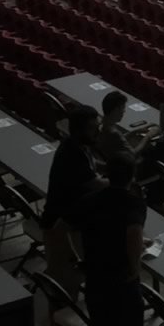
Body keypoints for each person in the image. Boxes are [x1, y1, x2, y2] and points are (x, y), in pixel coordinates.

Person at [72, 153, 148, 326]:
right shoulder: (134, 203)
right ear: (132, 177)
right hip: (123, 284)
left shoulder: (89, 201)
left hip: (96, 282)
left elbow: (73, 230)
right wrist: (134, 267)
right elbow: (134, 236)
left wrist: (81, 257)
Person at [43, 105, 99, 295]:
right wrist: (120, 177)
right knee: (63, 286)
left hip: (73, 222)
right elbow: (94, 183)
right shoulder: (71, 153)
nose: (96, 131)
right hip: (60, 227)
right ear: (79, 129)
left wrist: (110, 166)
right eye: (92, 128)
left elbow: (92, 166)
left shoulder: (80, 145)